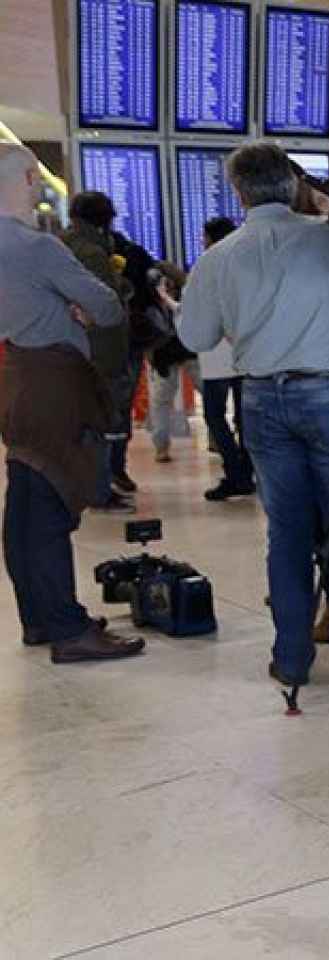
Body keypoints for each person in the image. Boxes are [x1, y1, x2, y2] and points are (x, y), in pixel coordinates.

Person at [177, 143, 329, 689]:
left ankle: (291, 657)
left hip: (260, 398)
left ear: (239, 192)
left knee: (285, 533)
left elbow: (194, 336)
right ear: (291, 185)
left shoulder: (219, 257)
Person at [0, 143, 146, 663]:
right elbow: (106, 307)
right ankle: (68, 628)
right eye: (35, 179)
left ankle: (38, 618)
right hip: (55, 382)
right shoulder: (37, 247)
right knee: (51, 504)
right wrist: (76, 307)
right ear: (20, 182)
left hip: (15, 377)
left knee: (24, 503)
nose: (40, 188)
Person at [60, 191, 137, 513]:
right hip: (102, 349)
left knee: (85, 422)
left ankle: (90, 483)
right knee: (103, 421)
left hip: (73, 347)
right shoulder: (92, 252)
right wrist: (125, 287)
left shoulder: (62, 244)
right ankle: (99, 489)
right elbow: (108, 303)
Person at [193, 217, 255, 501]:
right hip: (246, 352)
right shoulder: (247, 264)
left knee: (215, 416)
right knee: (245, 418)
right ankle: (248, 471)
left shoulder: (208, 265)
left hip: (216, 352)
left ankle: (236, 473)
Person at [143, 263, 195, 463]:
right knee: (208, 395)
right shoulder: (188, 292)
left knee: (160, 402)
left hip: (166, 352)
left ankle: (161, 447)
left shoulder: (150, 298)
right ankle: (215, 438)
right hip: (186, 349)